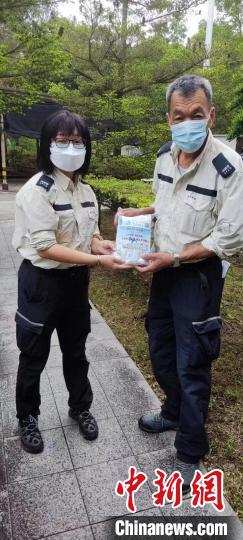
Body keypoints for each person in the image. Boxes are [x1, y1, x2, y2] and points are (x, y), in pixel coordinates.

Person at [115, 75, 243, 492]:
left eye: (196, 115)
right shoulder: (164, 157)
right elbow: (165, 205)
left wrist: (175, 256)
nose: (187, 122)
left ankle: (191, 449)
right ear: (168, 119)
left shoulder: (229, 167)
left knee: (193, 360)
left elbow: (230, 236)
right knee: (159, 344)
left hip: (197, 276)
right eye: (179, 116)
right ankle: (173, 411)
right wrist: (138, 212)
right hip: (164, 270)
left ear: (211, 115)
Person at [12, 110, 129, 454]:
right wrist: (98, 260)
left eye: (77, 141)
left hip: (76, 284)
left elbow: (89, 236)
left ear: (86, 146)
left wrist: (102, 244)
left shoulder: (86, 190)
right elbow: (46, 246)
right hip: (41, 283)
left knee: (75, 351)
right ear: (47, 145)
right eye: (61, 141)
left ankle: (81, 407)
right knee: (33, 355)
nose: (70, 147)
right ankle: (27, 417)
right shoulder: (38, 190)